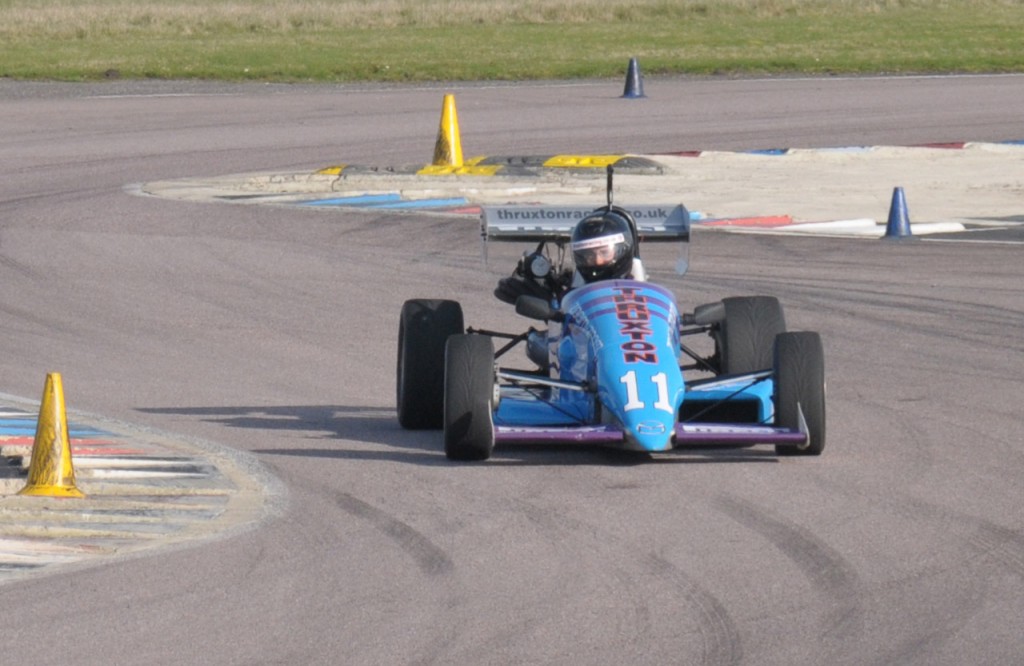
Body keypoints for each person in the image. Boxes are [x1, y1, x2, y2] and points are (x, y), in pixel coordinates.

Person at [569, 208, 645, 286]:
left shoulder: (642, 293)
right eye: (589, 255)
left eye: (604, 253)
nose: (598, 261)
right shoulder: (568, 296)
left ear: (620, 251)